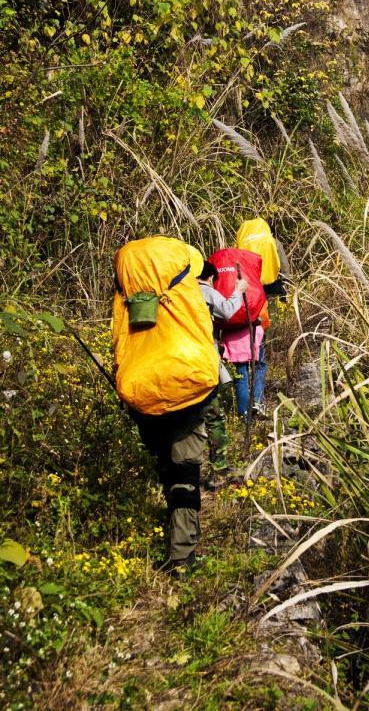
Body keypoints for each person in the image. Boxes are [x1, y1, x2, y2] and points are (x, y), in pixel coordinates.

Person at [112, 236, 220, 577]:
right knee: (185, 470)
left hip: (141, 386)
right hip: (187, 381)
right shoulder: (184, 271)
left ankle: (175, 532)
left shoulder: (126, 286)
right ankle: (181, 556)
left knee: (166, 465)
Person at [196, 261, 248, 479]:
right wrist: (238, 291)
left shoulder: (173, 294)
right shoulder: (205, 291)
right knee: (213, 415)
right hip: (201, 361)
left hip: (172, 362)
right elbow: (226, 311)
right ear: (209, 277)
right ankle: (219, 469)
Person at [221, 319, 267, 420]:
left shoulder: (224, 302)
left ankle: (245, 416)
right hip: (254, 332)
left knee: (241, 377)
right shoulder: (247, 302)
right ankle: (257, 402)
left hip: (233, 338)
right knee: (260, 366)